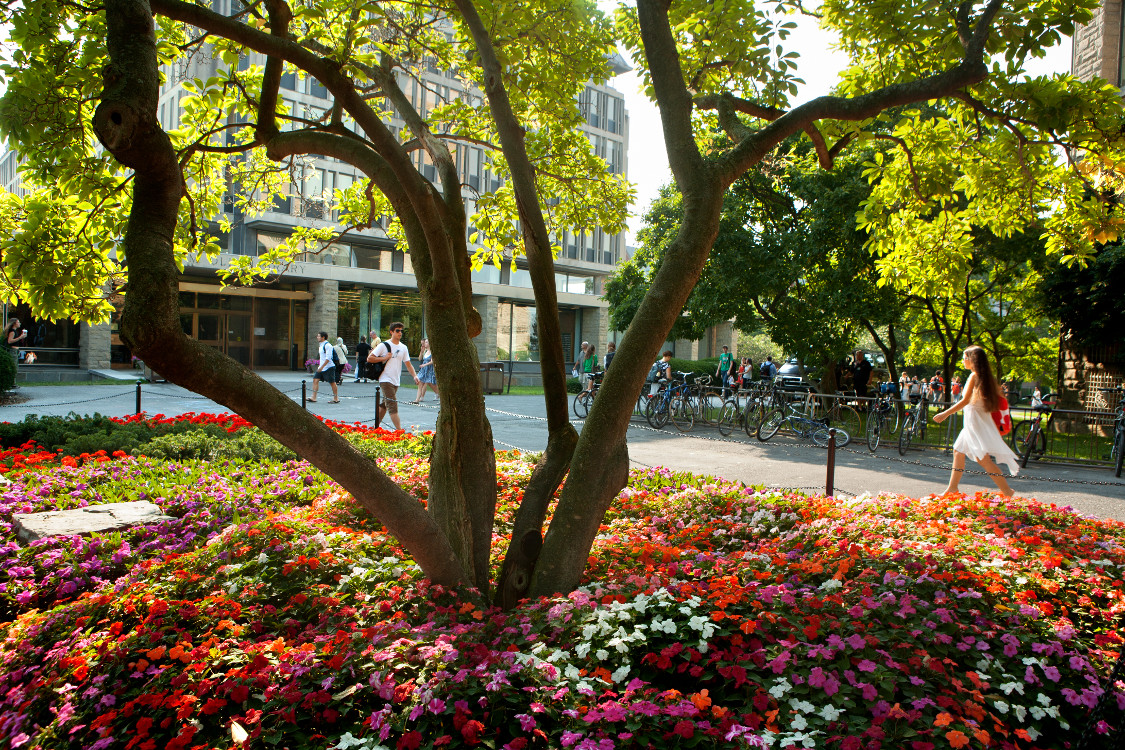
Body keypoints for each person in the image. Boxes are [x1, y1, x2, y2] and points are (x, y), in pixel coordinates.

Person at [933, 345, 1019, 497]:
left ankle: (1007, 491)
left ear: (971, 359)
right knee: (958, 452)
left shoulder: (974, 376)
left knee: (983, 460)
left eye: (964, 358)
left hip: (975, 423)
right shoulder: (986, 377)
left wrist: (945, 414)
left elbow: (965, 400)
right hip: (976, 421)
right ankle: (952, 489)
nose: (962, 361)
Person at [372, 322, 419, 430]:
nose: (400, 333)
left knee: (385, 404)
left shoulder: (403, 347)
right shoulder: (383, 345)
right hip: (385, 379)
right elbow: (370, 358)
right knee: (392, 405)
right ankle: (399, 431)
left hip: (395, 380)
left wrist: (414, 376)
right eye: (397, 331)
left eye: (401, 331)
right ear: (391, 332)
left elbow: (408, 364)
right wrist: (383, 358)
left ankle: (375, 427)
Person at [309, 331, 338, 403]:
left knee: (332, 382)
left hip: (329, 367)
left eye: (319, 336)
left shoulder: (328, 345)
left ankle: (336, 398)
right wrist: (320, 367)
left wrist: (322, 367)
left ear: (323, 337)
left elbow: (328, 358)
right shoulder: (321, 345)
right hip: (321, 367)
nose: (317, 337)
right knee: (315, 380)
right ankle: (314, 397)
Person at [413, 338, 438, 403]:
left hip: (429, 370)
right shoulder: (425, 351)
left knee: (431, 384)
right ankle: (417, 399)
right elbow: (420, 359)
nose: (424, 344)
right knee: (420, 384)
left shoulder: (432, 351)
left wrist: (424, 365)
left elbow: (432, 361)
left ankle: (439, 395)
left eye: (426, 342)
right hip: (423, 370)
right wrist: (421, 351)